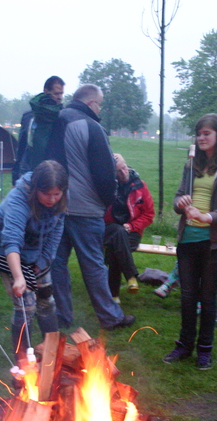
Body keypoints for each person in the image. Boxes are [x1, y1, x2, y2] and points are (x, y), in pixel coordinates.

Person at [46, 84, 136, 330]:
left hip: (56, 206)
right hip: (85, 209)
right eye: (100, 104)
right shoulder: (91, 126)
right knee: (94, 264)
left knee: (56, 264)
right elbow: (105, 172)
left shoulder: (58, 120)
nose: (100, 109)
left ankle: (62, 316)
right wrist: (108, 200)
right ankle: (110, 317)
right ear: (91, 103)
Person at [162, 113, 217, 371]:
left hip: (215, 243)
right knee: (188, 296)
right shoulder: (192, 164)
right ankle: (184, 345)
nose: (201, 138)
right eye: (198, 133)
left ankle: (205, 351)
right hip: (188, 238)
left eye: (206, 133)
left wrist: (206, 216)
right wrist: (180, 203)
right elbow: (179, 196)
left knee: (207, 298)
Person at [0, 160, 67, 359]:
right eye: (46, 194)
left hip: (36, 252)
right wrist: (19, 277)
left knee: (47, 300)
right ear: (35, 189)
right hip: (6, 252)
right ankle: (23, 363)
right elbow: (11, 240)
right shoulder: (18, 200)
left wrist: (42, 263)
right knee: (27, 305)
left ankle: (51, 356)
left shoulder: (62, 198)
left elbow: (56, 233)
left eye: (56, 194)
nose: (52, 199)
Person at [103, 153, 155, 303]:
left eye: (124, 168)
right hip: (111, 229)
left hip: (132, 232)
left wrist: (131, 226)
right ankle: (131, 276)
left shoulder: (139, 186)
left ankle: (114, 295)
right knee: (117, 233)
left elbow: (149, 214)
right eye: (118, 171)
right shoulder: (108, 187)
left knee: (115, 247)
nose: (123, 172)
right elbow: (102, 214)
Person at [12, 76, 65, 184]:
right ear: (46, 91)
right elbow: (22, 147)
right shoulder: (28, 117)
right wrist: (15, 177)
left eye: (61, 94)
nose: (59, 97)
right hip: (29, 171)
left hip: (54, 173)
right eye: (56, 93)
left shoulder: (63, 117)